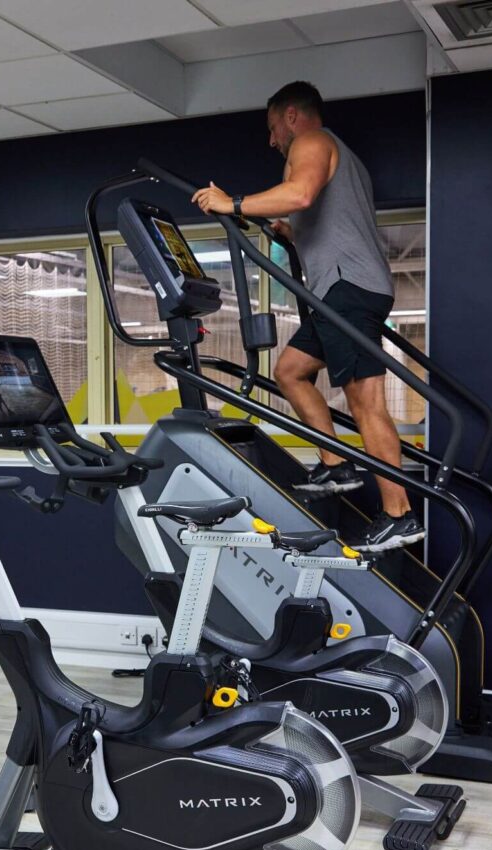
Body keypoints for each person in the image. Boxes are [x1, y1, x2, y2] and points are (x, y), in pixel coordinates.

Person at [191, 81, 423, 552]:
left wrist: (231, 203)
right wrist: (281, 232)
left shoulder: (313, 142)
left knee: (365, 400)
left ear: (292, 117)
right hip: (337, 289)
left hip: (348, 289)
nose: (272, 140)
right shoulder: (341, 157)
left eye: (274, 128)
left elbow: (298, 195)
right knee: (291, 371)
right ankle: (336, 465)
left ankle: (399, 515)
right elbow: (309, 218)